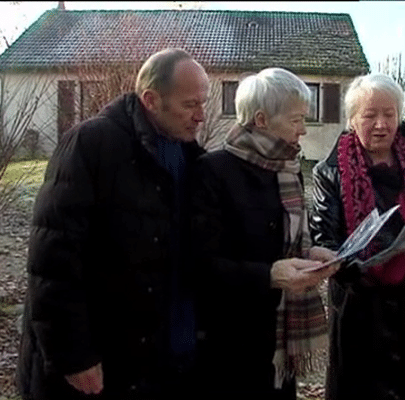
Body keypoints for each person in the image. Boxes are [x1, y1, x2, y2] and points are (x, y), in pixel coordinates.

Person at [17, 48, 211, 399]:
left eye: (203, 103)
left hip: (163, 360)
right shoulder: (90, 145)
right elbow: (52, 261)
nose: (201, 116)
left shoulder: (192, 158)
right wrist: (74, 358)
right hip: (100, 362)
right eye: (189, 105)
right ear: (151, 100)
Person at [309, 73, 405, 400]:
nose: (381, 124)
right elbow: (325, 237)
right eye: (370, 115)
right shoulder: (329, 170)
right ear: (352, 120)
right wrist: (359, 266)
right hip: (362, 303)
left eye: (389, 114)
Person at [195, 67, 339, 399]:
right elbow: (200, 263)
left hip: (280, 340)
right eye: (295, 120)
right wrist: (268, 276)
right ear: (261, 120)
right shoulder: (213, 171)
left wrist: (311, 255)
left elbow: (290, 241)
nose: (303, 130)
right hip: (229, 345)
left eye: (305, 119)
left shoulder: (289, 168)